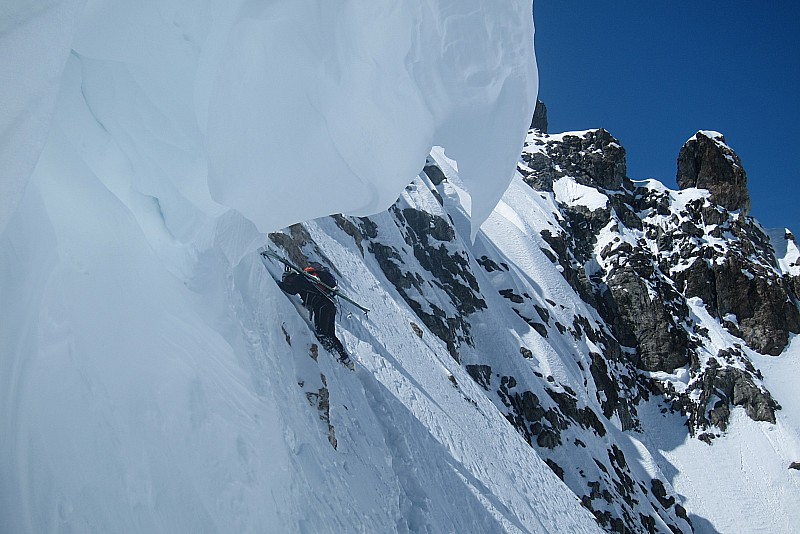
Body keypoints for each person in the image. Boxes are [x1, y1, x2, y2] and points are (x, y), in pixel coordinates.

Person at [278, 261, 350, 364]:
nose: (287, 282)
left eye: (286, 281)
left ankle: (332, 353)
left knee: (322, 332)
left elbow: (292, 290)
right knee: (330, 334)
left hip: (321, 306)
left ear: (289, 277)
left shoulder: (299, 279)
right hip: (329, 305)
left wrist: (280, 284)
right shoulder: (307, 280)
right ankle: (345, 358)